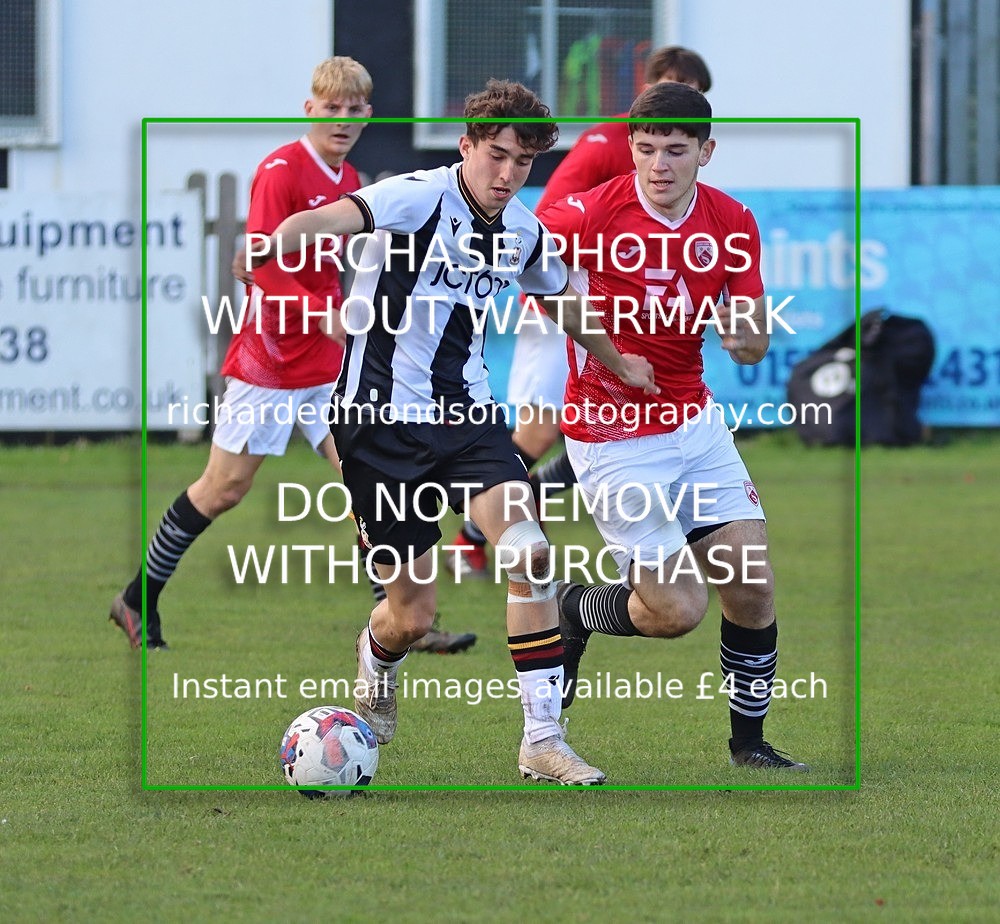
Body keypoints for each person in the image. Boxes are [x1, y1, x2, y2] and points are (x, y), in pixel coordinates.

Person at [249, 79, 656, 784]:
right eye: (495, 155)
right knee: (411, 616)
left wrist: (619, 358)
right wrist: (280, 241)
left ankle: (541, 739)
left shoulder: (523, 229)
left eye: (522, 163)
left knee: (529, 553)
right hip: (376, 429)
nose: (506, 175)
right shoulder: (416, 195)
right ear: (466, 145)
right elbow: (332, 218)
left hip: (468, 420)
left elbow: (563, 298)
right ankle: (377, 658)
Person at [108, 56, 475, 654]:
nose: (343, 119)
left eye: (355, 110)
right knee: (223, 488)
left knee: (372, 482)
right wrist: (324, 317)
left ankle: (404, 616)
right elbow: (258, 270)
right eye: (332, 108)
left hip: (328, 367)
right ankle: (137, 596)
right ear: (310, 109)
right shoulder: (281, 170)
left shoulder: (350, 177)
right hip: (272, 361)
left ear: (368, 116)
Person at [538, 81, 809, 771]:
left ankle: (748, 746)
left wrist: (747, 338)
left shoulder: (732, 221)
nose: (659, 164)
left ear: (706, 152)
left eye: (676, 150)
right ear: (631, 148)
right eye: (647, 148)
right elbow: (529, 275)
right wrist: (605, 349)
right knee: (675, 610)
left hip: (694, 425)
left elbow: (750, 331)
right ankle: (573, 609)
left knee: (752, 582)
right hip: (611, 437)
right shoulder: (589, 215)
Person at [449, 46, 712, 578]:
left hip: (631, 322)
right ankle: (471, 535)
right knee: (542, 430)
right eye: (664, 83)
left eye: (689, 89)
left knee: (629, 421)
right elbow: (543, 224)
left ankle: (518, 508)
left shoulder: (681, 167)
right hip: (566, 309)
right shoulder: (605, 142)